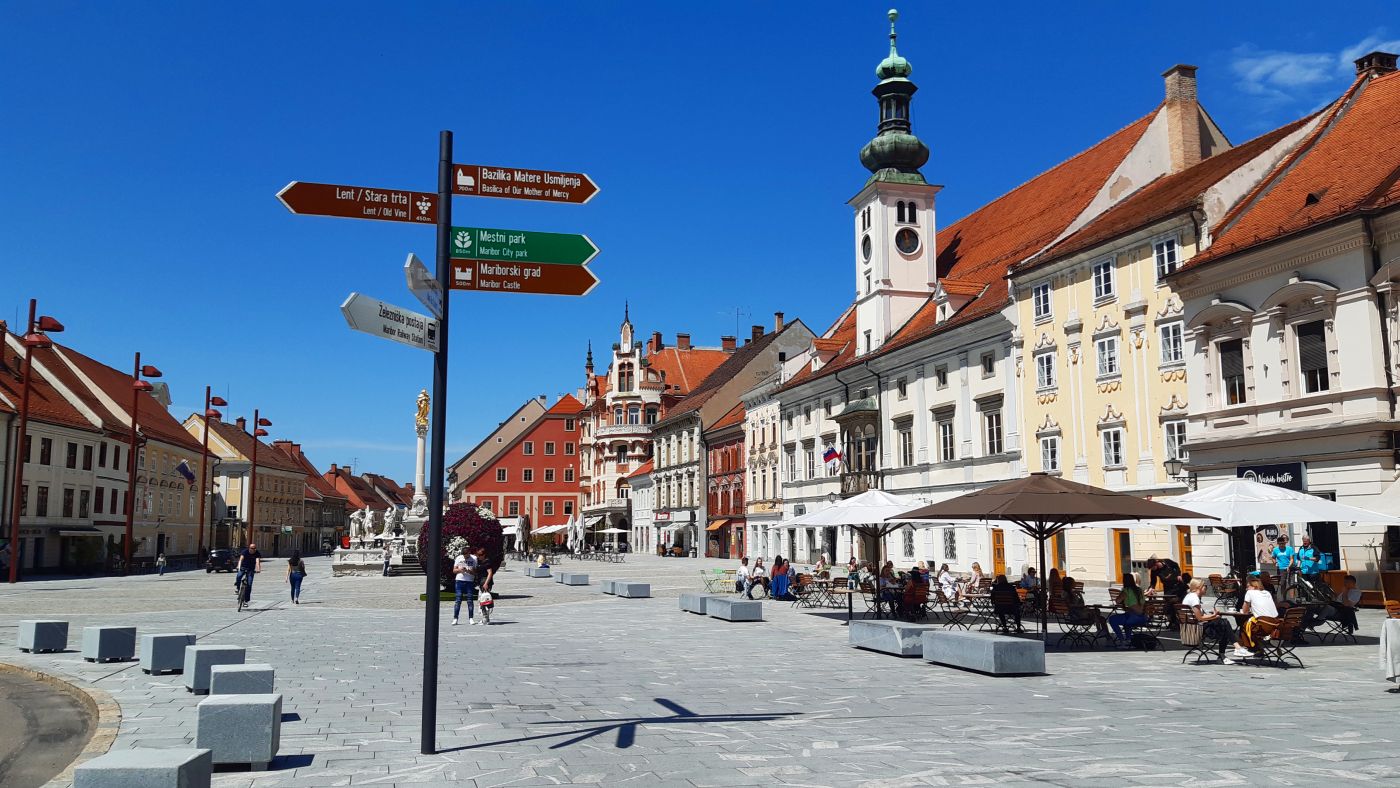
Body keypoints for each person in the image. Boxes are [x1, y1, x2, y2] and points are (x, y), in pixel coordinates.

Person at [1228, 575, 1280, 662]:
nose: (1246, 589)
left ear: (1254, 586)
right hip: (1274, 625)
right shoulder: (1267, 593)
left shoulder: (1250, 593)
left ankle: (1252, 648)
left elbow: (1244, 611)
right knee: (1249, 624)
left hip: (1263, 625)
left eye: (1248, 586)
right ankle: (1255, 648)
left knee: (1244, 626)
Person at [1181, 577, 1232, 659]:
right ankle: (1229, 652)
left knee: (1223, 624)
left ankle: (1233, 650)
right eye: (1205, 586)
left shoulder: (1189, 596)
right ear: (1199, 587)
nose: (1206, 588)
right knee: (1224, 624)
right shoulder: (1194, 598)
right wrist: (1214, 616)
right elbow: (1200, 618)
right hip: (1197, 629)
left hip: (1191, 627)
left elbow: (1199, 617)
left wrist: (1213, 616)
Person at [1108, 574, 1148, 645]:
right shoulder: (1139, 590)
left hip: (1133, 618)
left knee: (1112, 619)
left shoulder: (1126, 590)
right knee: (1126, 619)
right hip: (1143, 618)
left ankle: (1122, 640)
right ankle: (1128, 639)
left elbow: (1118, 601)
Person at [451, 546, 479, 626]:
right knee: (458, 600)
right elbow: (454, 570)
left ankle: (471, 618)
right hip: (459, 581)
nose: (465, 557)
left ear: (469, 553)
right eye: (464, 555)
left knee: (470, 600)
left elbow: (475, 572)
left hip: (469, 581)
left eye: (466, 555)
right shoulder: (459, 558)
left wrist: (468, 571)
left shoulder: (474, 558)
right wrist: (460, 570)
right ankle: (455, 618)